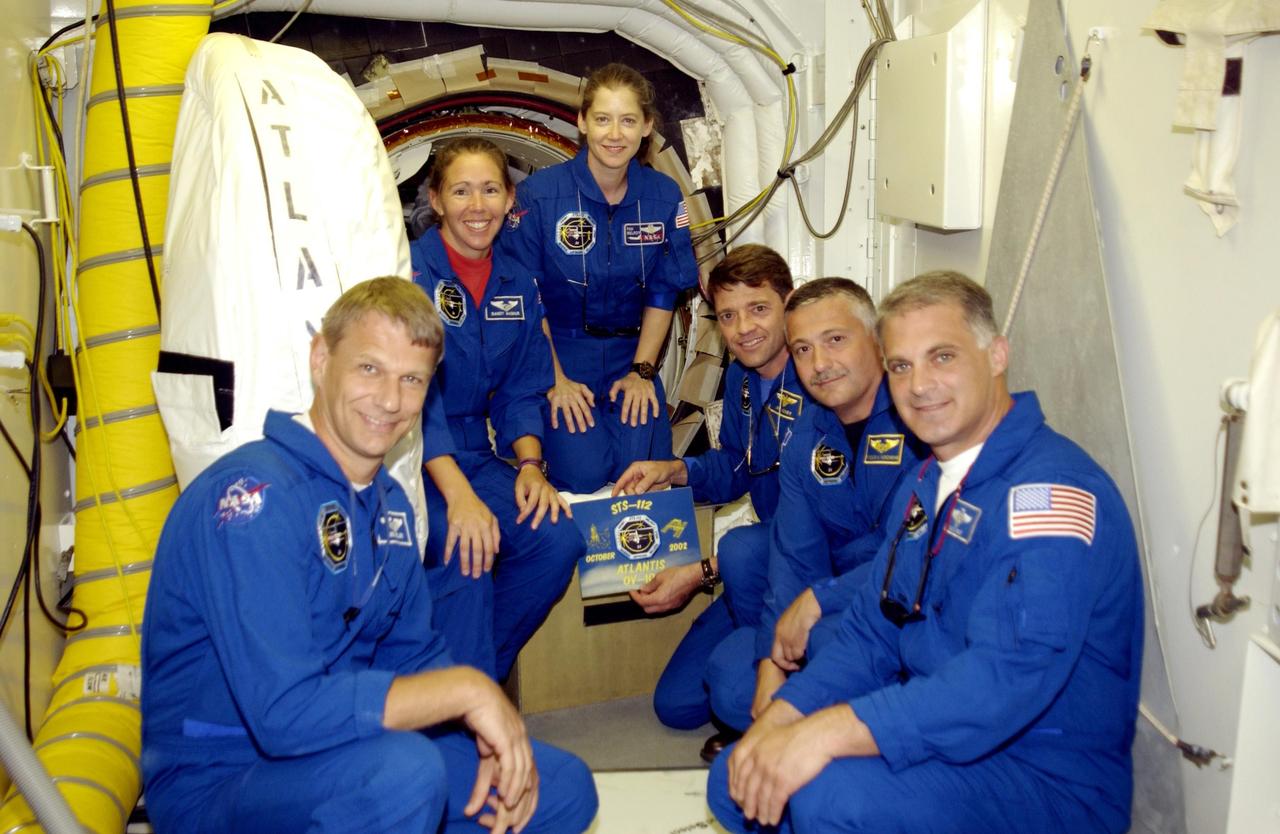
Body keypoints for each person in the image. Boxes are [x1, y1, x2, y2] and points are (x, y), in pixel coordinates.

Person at [141, 278, 598, 834]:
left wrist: (482, 727)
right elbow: (283, 714)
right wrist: (471, 690)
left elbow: (415, 656)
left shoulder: (391, 511)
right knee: (405, 776)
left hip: (343, 747)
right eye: (369, 369)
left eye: (412, 380)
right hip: (225, 777)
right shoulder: (252, 499)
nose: (389, 400)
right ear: (320, 358)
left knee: (559, 788)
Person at [708, 271, 1143, 834]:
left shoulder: (1049, 498)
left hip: (1040, 775)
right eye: (902, 366)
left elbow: (999, 684)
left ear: (996, 356)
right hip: (947, 729)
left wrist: (828, 730)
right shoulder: (931, 483)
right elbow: (873, 628)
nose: (919, 385)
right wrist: (784, 718)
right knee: (737, 774)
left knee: (823, 790)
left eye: (942, 357)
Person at [705, 277, 924, 736]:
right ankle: (816, 705)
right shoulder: (807, 435)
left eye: (836, 340)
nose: (819, 364)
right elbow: (793, 556)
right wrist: (770, 661)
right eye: (802, 350)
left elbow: (917, 561)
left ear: (878, 341)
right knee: (730, 685)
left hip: (906, 607)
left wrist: (820, 601)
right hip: (830, 599)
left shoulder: (922, 419)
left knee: (827, 642)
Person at [611, 244, 811, 744]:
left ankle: (791, 694)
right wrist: (674, 470)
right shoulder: (743, 376)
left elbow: (816, 527)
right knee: (676, 705)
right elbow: (739, 467)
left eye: (759, 308)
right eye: (728, 315)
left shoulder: (817, 383)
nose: (743, 328)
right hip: (759, 565)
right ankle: (752, 661)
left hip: (803, 567)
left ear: (789, 303)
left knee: (741, 556)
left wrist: (703, 573)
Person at [410, 137, 584, 682]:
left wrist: (530, 466)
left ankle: (472, 678)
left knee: (556, 540)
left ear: (510, 200)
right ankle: (458, 709)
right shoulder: (408, 274)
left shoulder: (516, 283)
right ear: (436, 200)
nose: (477, 206)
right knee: (469, 547)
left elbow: (520, 389)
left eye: (490, 190)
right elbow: (414, 397)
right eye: (460, 191)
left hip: (477, 453)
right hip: (410, 456)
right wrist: (459, 497)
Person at [501, 62, 700, 493]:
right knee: (584, 473)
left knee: (639, 472)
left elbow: (664, 293)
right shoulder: (540, 196)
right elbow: (523, 300)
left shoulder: (663, 196)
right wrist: (555, 379)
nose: (615, 134)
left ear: (647, 127)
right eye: (603, 119)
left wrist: (643, 373)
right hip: (561, 352)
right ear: (582, 122)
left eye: (628, 120)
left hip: (632, 355)